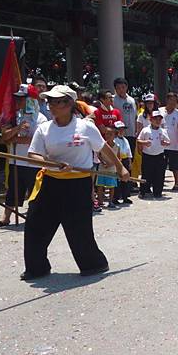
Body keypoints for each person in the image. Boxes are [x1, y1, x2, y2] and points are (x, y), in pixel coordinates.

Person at [22, 85, 129, 281]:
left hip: (77, 184)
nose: (52, 105)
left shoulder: (85, 126)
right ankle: (36, 268)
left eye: (57, 101)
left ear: (70, 103)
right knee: (35, 225)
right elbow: (33, 154)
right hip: (50, 181)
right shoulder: (44, 128)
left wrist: (120, 167)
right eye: (50, 102)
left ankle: (93, 264)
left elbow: (103, 148)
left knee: (78, 228)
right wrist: (51, 163)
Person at [0, 84, 48, 229]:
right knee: (13, 190)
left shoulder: (40, 119)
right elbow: (5, 137)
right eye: (17, 98)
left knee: (35, 192)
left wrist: (15, 138)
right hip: (15, 160)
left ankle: (38, 216)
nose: (18, 102)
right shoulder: (14, 116)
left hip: (33, 161)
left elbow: (35, 140)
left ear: (30, 100)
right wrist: (17, 129)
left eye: (22, 99)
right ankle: (6, 217)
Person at [137, 110, 170, 198]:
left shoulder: (163, 131)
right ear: (151, 120)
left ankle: (158, 192)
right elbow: (139, 140)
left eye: (159, 119)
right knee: (146, 174)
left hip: (159, 155)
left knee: (159, 174)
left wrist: (165, 143)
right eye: (156, 119)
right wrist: (144, 142)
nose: (158, 121)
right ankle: (143, 191)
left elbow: (168, 142)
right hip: (147, 155)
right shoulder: (145, 130)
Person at [160, 92, 178, 190]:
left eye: (175, 101)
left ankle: (176, 183)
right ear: (167, 100)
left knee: (175, 166)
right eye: (171, 100)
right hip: (161, 144)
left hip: (174, 144)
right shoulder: (160, 111)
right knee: (161, 165)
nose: (173, 103)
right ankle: (159, 182)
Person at [96, 126, 120, 209]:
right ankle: (100, 202)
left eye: (110, 134)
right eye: (106, 134)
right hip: (102, 168)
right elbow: (98, 155)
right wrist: (103, 162)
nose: (108, 135)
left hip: (112, 169)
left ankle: (110, 201)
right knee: (100, 185)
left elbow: (118, 158)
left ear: (115, 135)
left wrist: (111, 164)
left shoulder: (117, 146)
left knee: (111, 186)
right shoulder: (102, 145)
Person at [113, 78, 138, 155]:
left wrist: (136, 131)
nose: (121, 90)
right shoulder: (113, 100)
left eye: (123, 87)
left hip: (131, 134)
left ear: (126, 87)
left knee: (130, 157)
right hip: (118, 134)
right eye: (118, 88)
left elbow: (135, 117)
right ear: (115, 89)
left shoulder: (132, 100)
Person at [113, 121, 133, 204]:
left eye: (122, 129)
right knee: (117, 180)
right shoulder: (114, 140)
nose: (121, 131)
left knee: (126, 179)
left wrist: (130, 162)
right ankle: (116, 197)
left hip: (125, 160)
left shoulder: (125, 140)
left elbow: (129, 152)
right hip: (118, 160)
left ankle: (125, 196)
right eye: (119, 129)